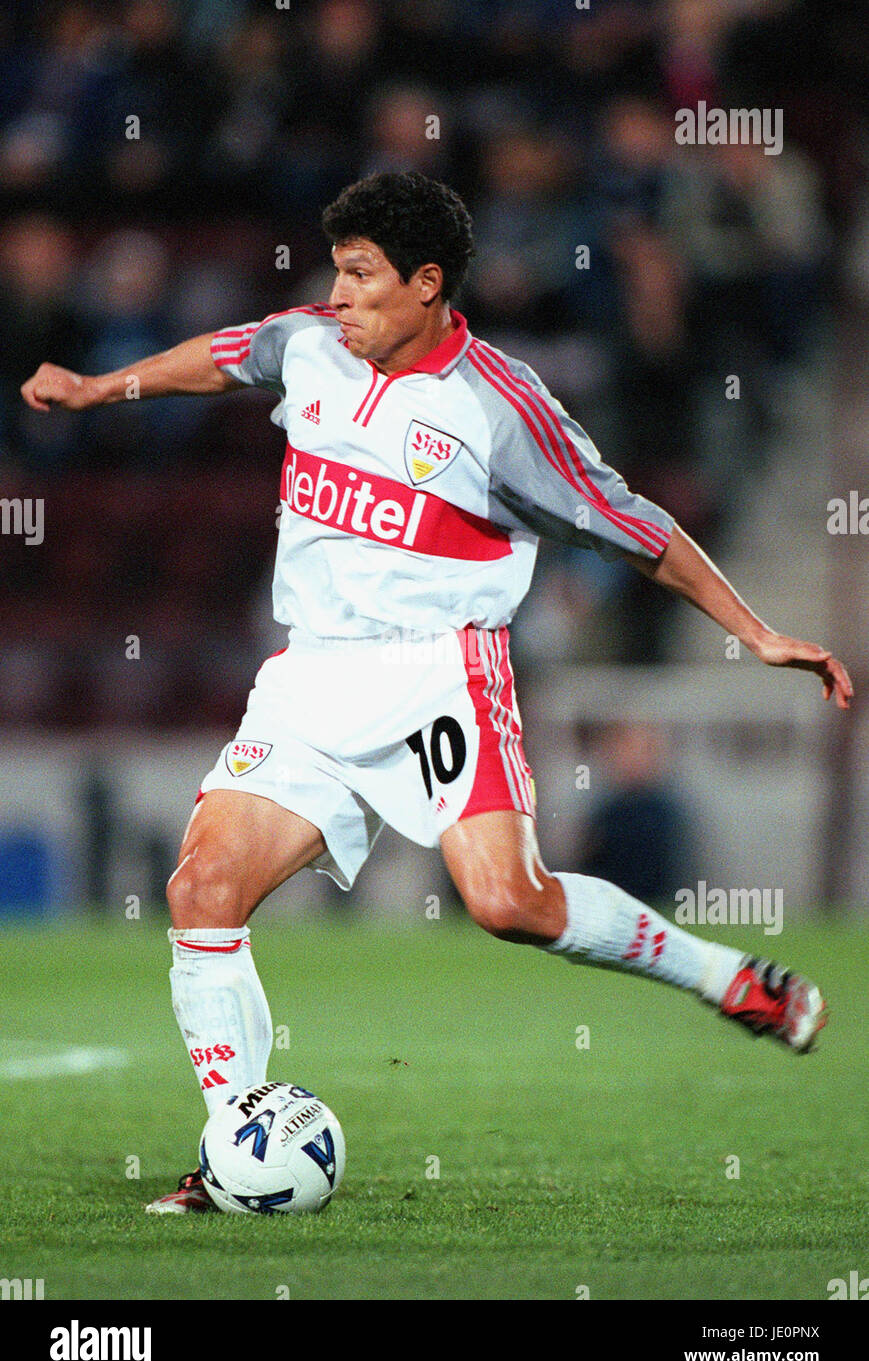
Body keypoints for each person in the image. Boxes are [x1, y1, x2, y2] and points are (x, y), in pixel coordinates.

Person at [21, 172, 852, 1214]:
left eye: (361, 275)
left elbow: (630, 524)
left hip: (437, 673)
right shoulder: (312, 338)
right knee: (200, 890)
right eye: (336, 270)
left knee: (509, 903)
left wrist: (755, 632)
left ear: (425, 285)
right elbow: (227, 356)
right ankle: (234, 1143)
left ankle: (721, 977)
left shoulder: (498, 409)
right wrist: (104, 389)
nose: (340, 293)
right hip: (312, 672)